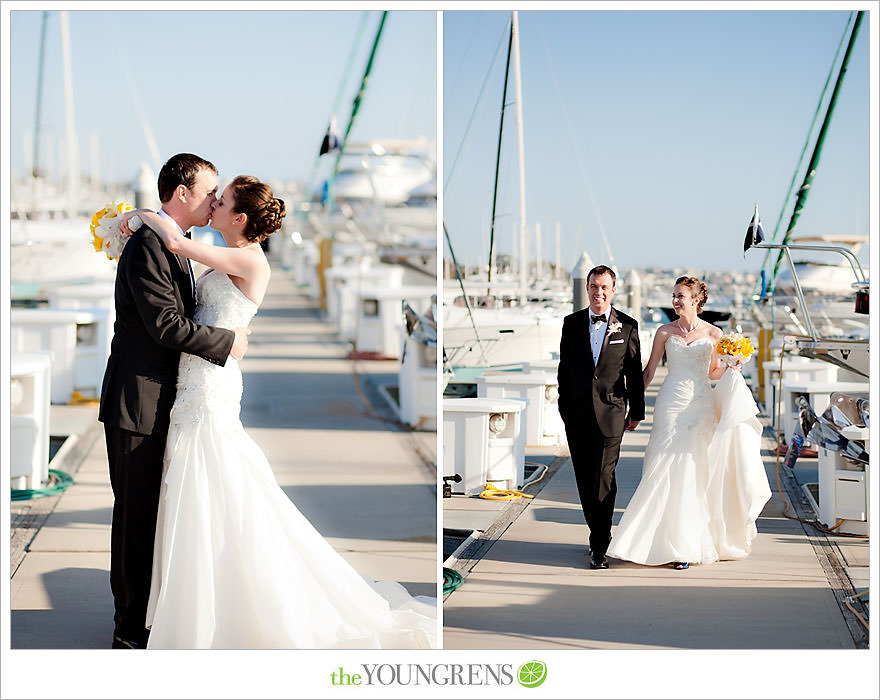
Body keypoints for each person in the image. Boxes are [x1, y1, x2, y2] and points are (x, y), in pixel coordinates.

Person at [120, 175, 436, 649]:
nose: (213, 205)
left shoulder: (247, 258)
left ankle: (215, 611)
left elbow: (173, 243)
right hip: (193, 383)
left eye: (221, 201)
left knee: (216, 480)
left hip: (211, 385)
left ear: (239, 218)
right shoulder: (229, 250)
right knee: (194, 489)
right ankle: (193, 602)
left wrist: (139, 215)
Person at [98, 153, 251, 649]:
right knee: (135, 517)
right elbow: (164, 325)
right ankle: (128, 629)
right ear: (182, 193)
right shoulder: (148, 245)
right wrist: (228, 344)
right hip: (137, 401)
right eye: (209, 192)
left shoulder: (175, 243)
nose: (214, 200)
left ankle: (150, 616)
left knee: (156, 516)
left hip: (171, 401)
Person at [606, 276, 771, 570]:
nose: (675, 301)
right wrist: (631, 407)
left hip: (700, 407)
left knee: (693, 473)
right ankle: (647, 541)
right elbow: (647, 374)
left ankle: (684, 545)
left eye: (680, 296)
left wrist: (734, 365)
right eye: (674, 296)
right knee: (660, 466)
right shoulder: (664, 332)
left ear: (696, 300)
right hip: (670, 404)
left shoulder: (714, 334)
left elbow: (712, 373)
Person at [557, 265, 645, 570]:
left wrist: (637, 411)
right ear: (587, 288)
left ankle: (599, 542)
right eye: (594, 286)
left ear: (613, 289)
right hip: (577, 415)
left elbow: (634, 373)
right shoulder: (571, 324)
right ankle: (597, 533)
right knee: (585, 479)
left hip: (612, 413)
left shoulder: (628, 326)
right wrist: (564, 409)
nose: (599, 292)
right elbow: (564, 371)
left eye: (604, 287)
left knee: (604, 479)